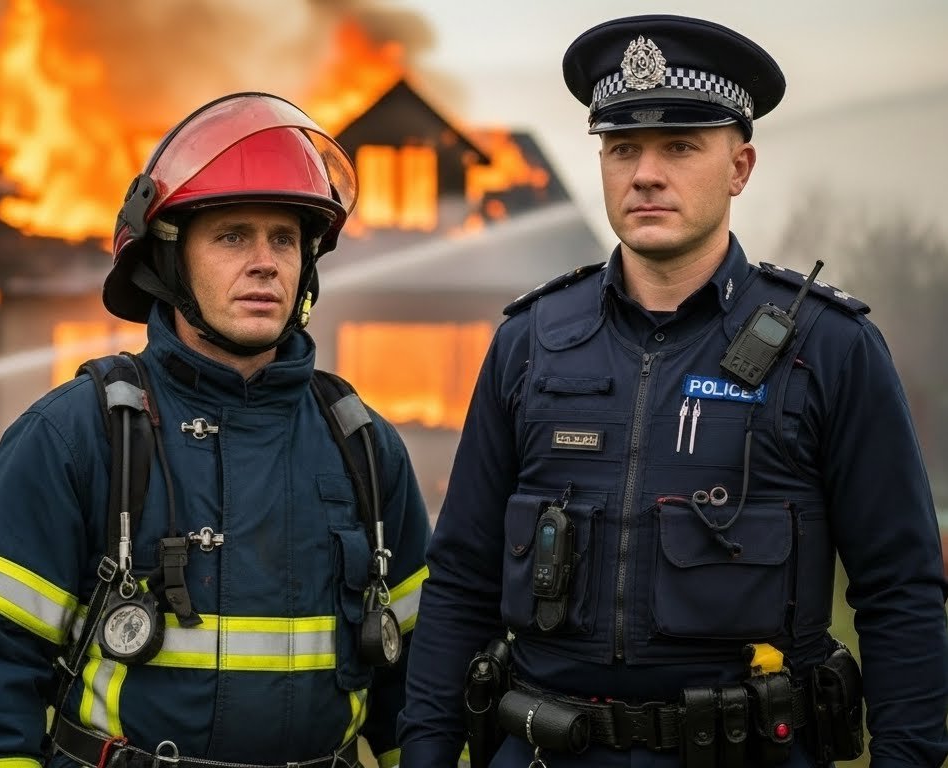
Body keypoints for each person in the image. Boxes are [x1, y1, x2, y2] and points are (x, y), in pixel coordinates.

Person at [398, 14, 948, 768]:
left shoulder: (828, 348)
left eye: (679, 147)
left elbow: (899, 590)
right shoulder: (526, 341)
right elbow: (460, 578)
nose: (644, 173)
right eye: (621, 148)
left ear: (739, 167)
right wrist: (426, 756)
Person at [0, 92, 431, 768]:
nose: (265, 262)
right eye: (231, 236)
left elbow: (423, 692)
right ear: (166, 259)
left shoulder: (362, 447)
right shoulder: (78, 435)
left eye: (283, 238)